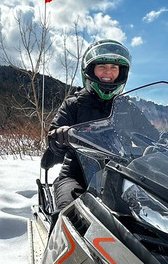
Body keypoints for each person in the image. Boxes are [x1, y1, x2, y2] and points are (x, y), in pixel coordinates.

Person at [42, 39, 130, 213]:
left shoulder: (127, 107)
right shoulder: (74, 104)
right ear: (90, 71)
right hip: (76, 175)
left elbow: (151, 134)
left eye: (114, 68)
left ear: (121, 73)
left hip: (120, 175)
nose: (108, 73)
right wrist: (59, 136)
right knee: (68, 214)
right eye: (102, 67)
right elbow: (53, 139)